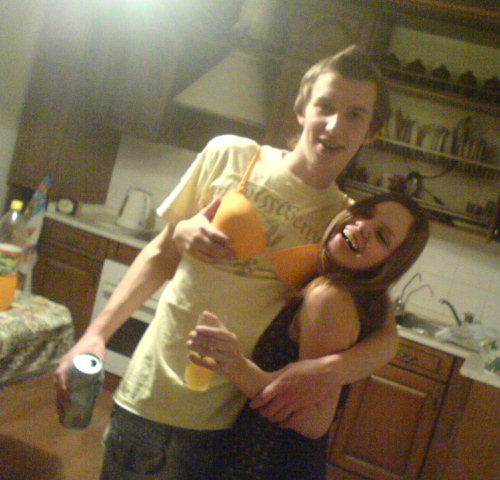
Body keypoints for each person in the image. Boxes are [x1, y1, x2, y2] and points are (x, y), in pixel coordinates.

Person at [54, 44, 396, 479]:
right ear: (301, 110)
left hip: (231, 423)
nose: (334, 126)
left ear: (371, 133)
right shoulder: (231, 155)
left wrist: (328, 370)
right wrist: (95, 336)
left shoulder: (344, 223)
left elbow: (387, 336)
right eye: (325, 106)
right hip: (151, 394)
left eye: (355, 115)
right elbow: (160, 255)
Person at [188, 193, 430, 479]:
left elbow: (315, 421)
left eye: (382, 236)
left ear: (389, 263)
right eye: (365, 213)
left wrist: (235, 365)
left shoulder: (330, 296)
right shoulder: (345, 288)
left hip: (267, 462)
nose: (364, 226)